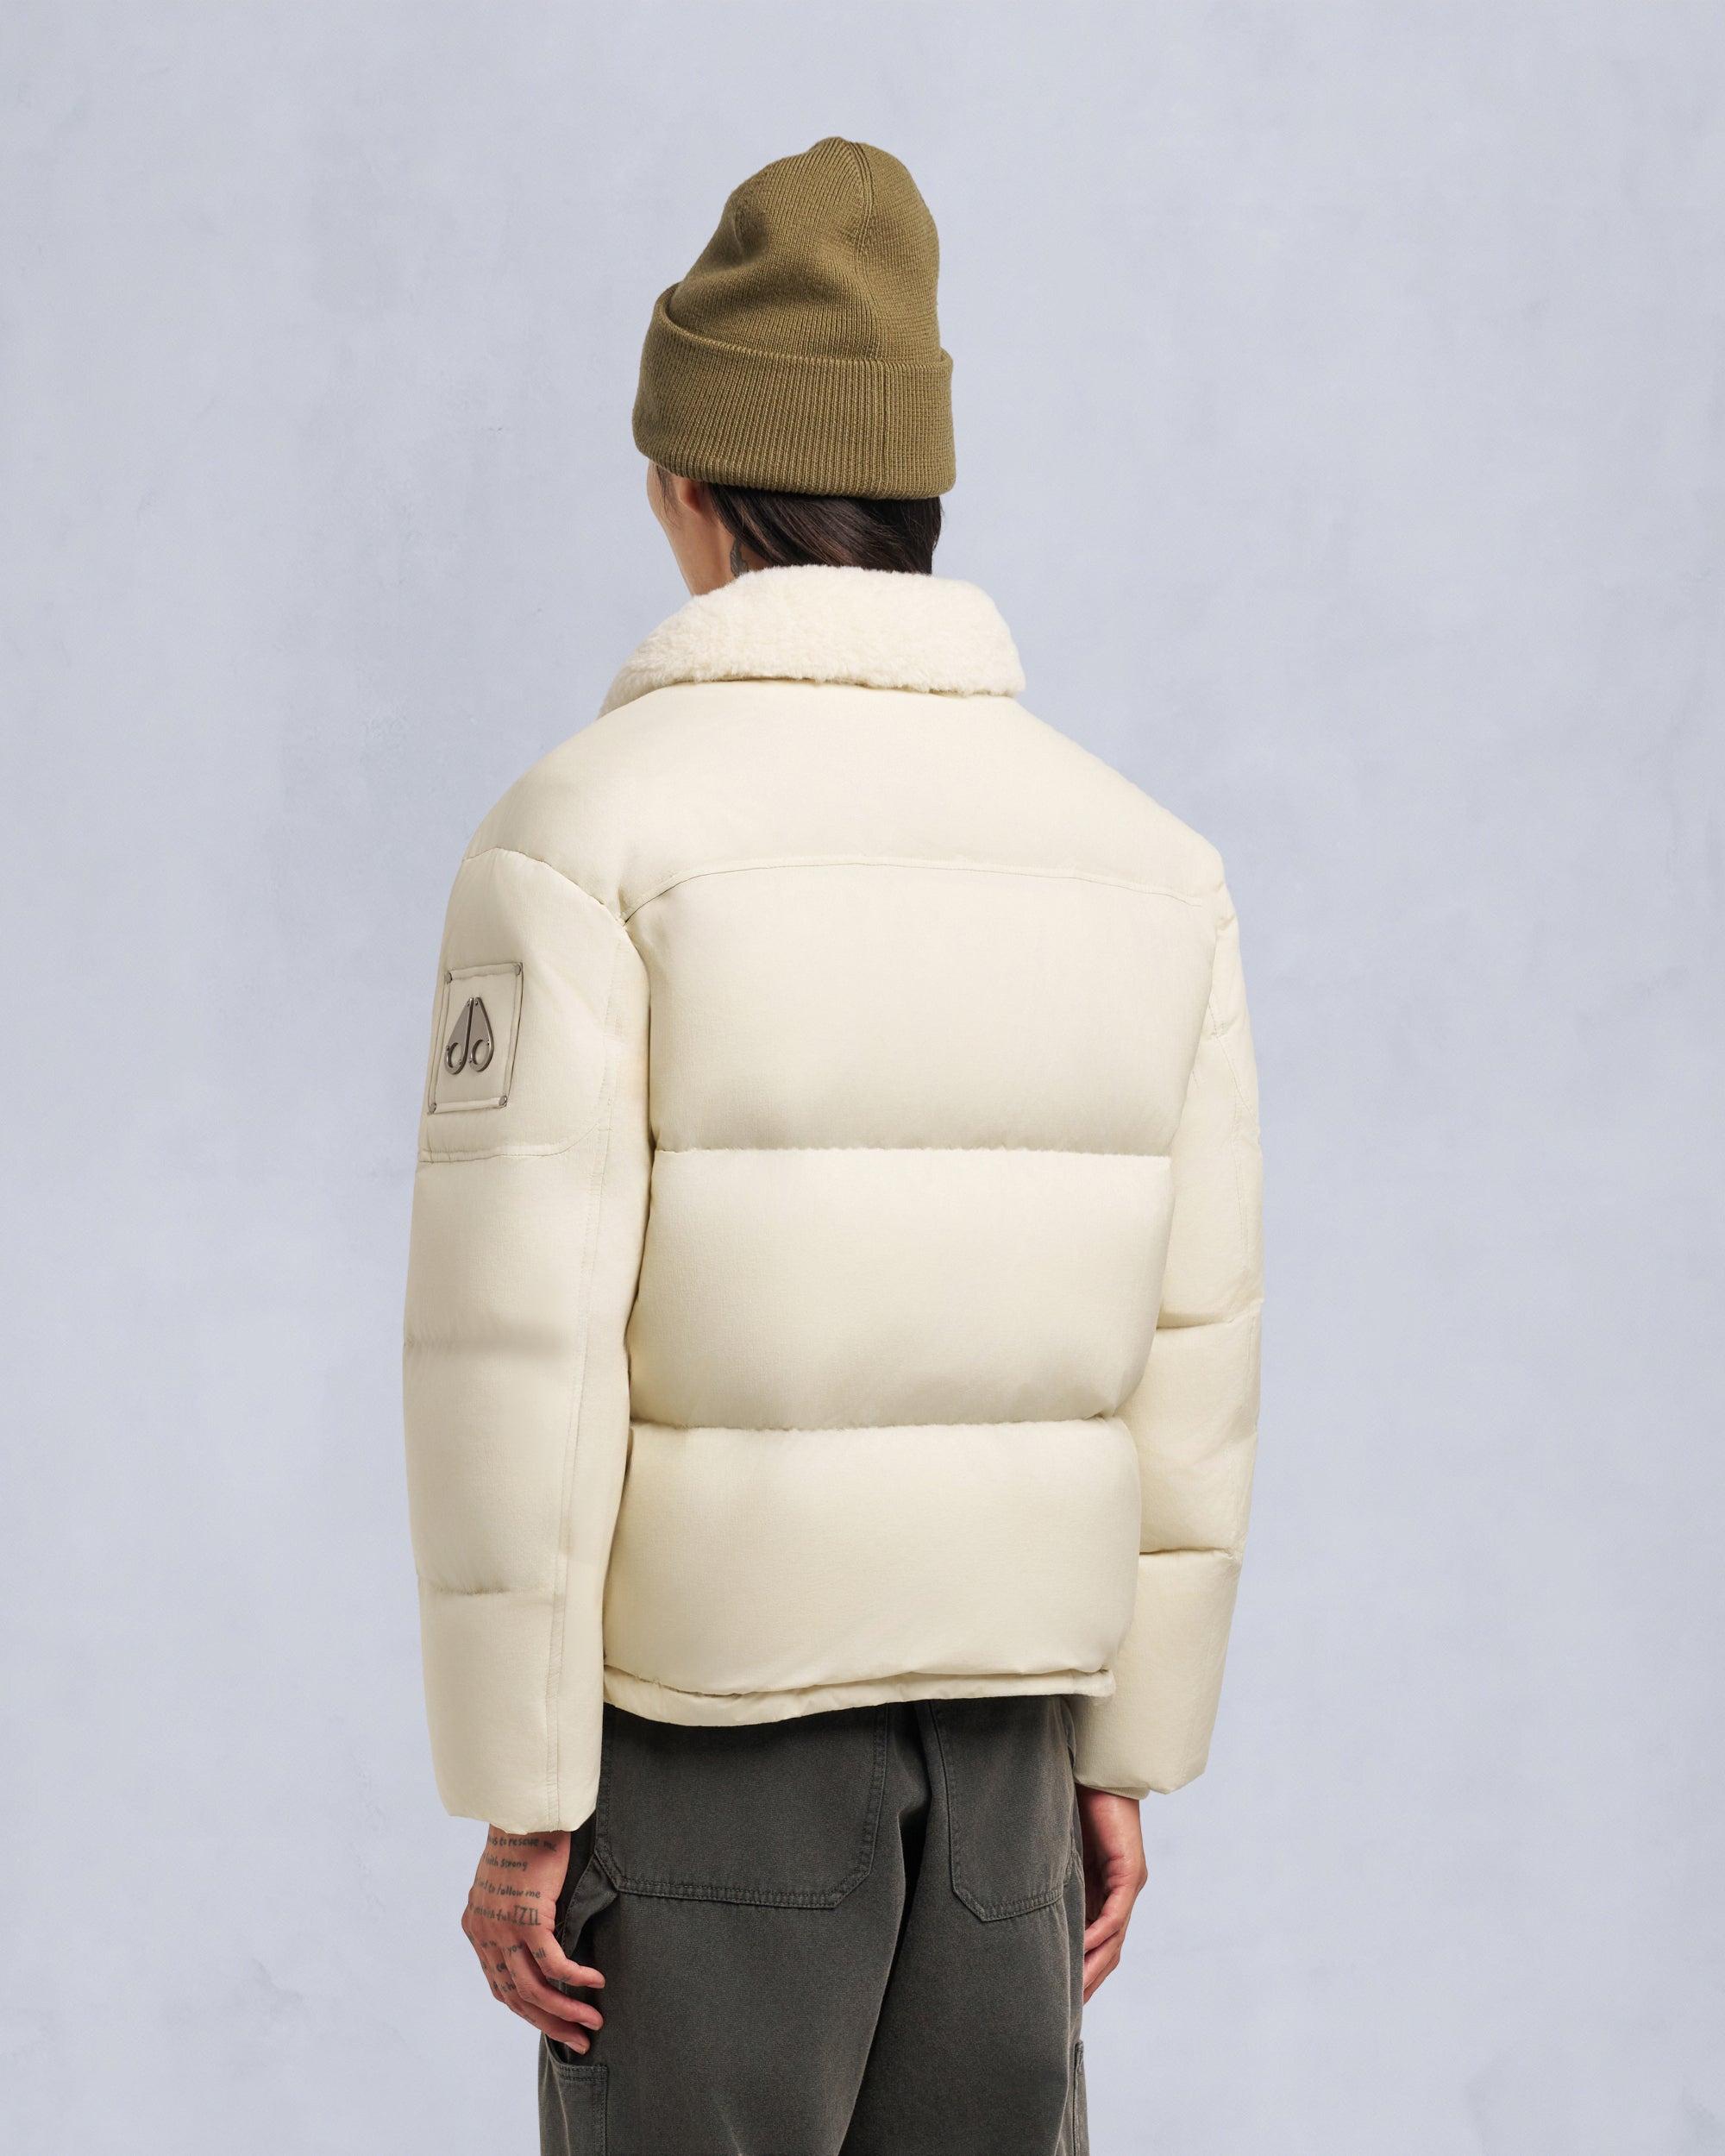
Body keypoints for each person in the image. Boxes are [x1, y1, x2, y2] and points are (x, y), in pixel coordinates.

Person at [403, 135, 1263, 2156]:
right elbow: (1192, 1343)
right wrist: (1121, 1749)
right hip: (1013, 1758)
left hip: (705, 1759)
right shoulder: (1147, 861)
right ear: (916, 490)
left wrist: (524, 1793)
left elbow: (519, 1353)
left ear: (683, 487)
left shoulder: (583, 839)